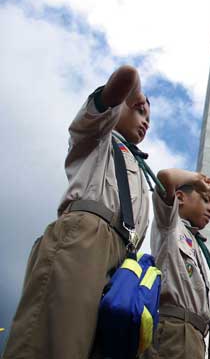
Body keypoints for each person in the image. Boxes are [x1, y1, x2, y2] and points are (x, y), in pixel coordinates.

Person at [4, 66, 153, 359]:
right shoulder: (96, 135)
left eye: (148, 118)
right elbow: (126, 76)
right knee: (57, 341)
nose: (146, 119)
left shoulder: (142, 170)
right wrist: (135, 91)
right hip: (86, 237)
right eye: (139, 111)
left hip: (123, 257)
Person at [144, 168, 210, 359]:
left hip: (195, 337)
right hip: (173, 331)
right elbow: (165, 177)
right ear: (180, 197)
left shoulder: (195, 242)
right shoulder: (169, 224)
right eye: (205, 199)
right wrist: (197, 179)